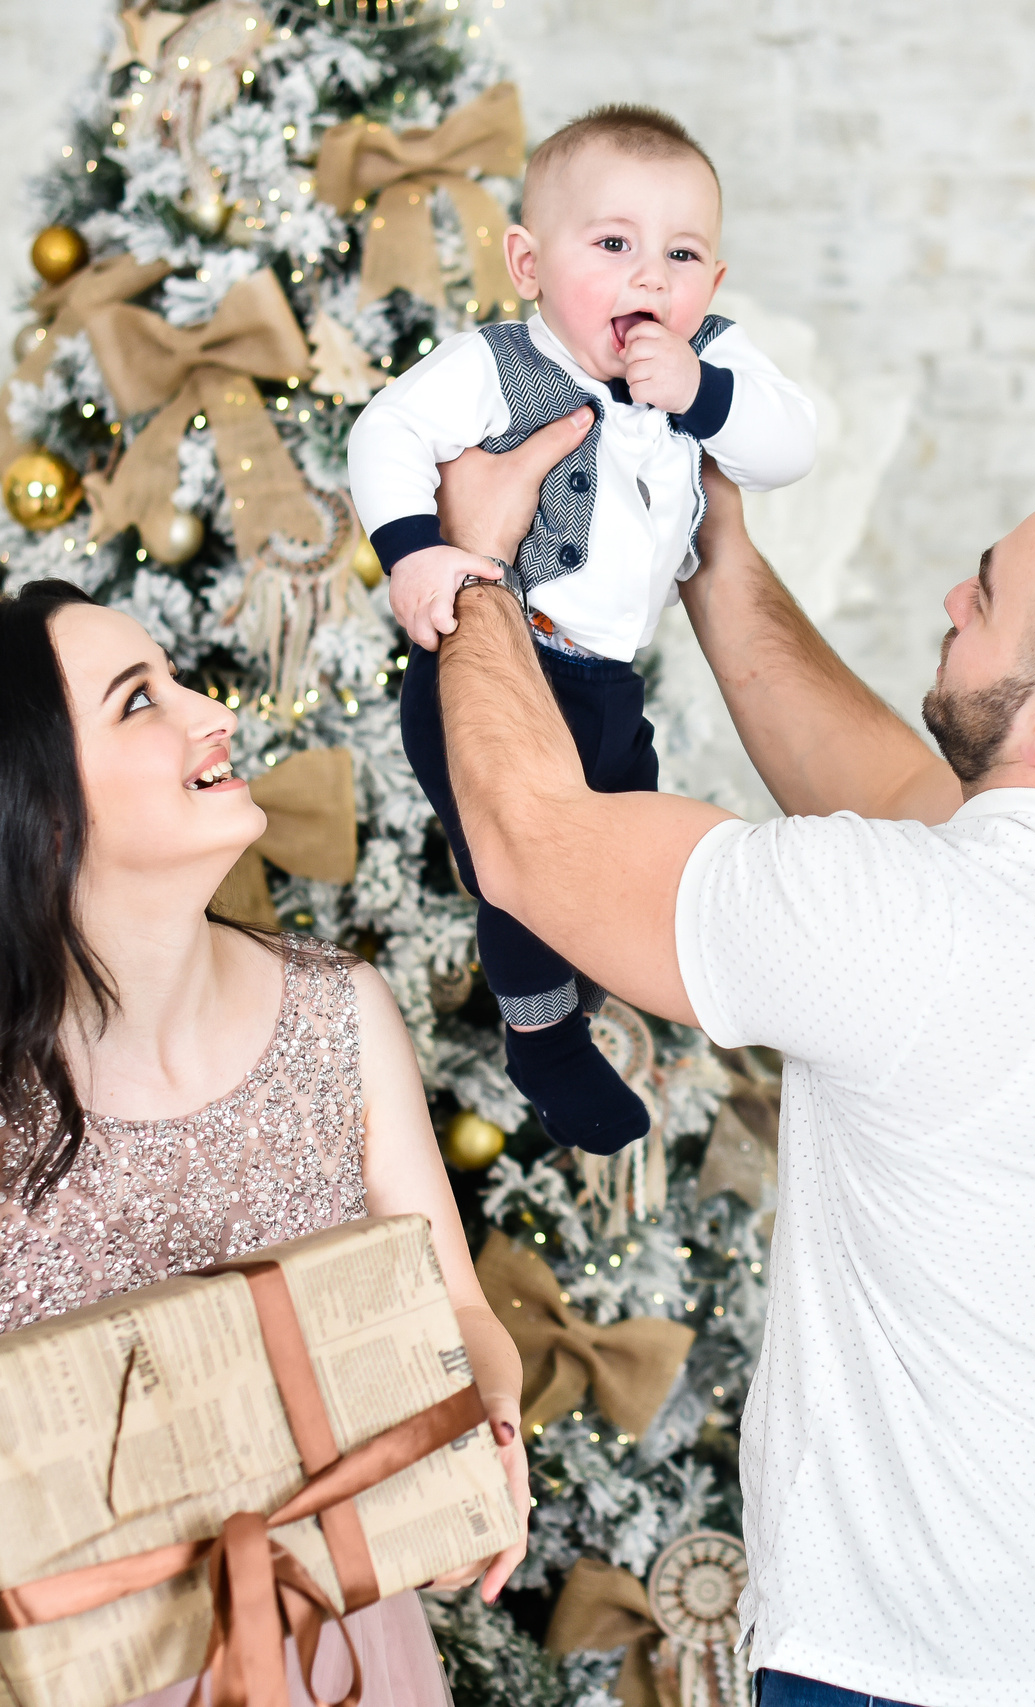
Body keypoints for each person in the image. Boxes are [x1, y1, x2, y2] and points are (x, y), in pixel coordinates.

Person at [422, 418, 1035, 1707]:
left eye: (985, 601)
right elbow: (896, 786)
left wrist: (474, 561)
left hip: (898, 1675)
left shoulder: (927, 931)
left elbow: (528, 843)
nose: (953, 597)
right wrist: (715, 554)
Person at [0, 579, 528, 1707]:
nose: (209, 711)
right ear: (31, 806)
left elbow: (457, 1310)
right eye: (139, 701)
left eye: (175, 679)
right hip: (55, 1658)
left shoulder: (343, 1017)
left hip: (326, 1639)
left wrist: (491, 1424)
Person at [348, 103, 816, 1155]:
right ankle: (542, 1039)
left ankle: (584, 994)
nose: (650, 280)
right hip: (500, 669)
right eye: (612, 246)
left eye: (680, 254)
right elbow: (386, 431)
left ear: (715, 283)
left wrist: (705, 394)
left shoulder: (713, 361)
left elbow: (788, 446)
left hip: (608, 679)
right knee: (528, 859)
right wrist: (416, 549)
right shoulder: (499, 364)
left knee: (624, 832)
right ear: (528, 261)